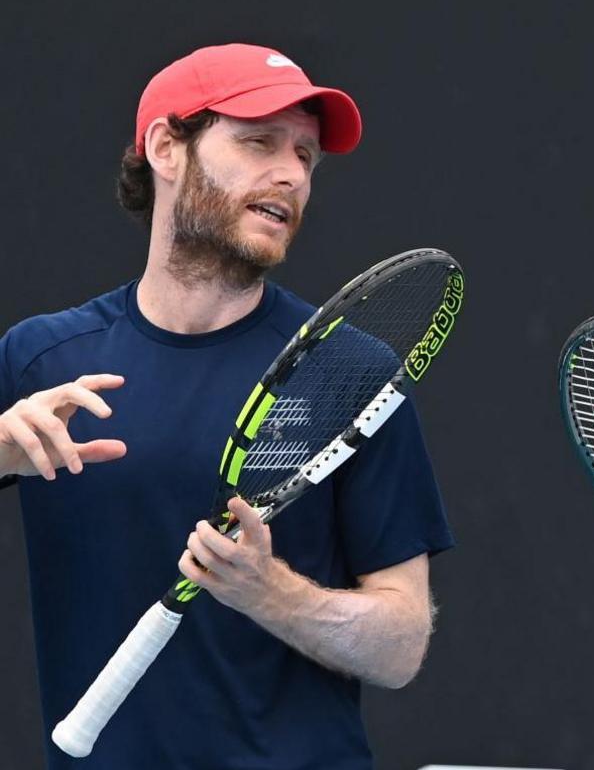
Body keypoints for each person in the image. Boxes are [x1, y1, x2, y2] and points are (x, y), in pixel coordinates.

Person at [0, 43, 454, 768]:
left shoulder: (351, 373)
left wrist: (269, 592)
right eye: (258, 142)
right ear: (164, 147)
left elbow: (402, 644)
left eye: (306, 155)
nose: (291, 174)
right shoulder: (37, 360)